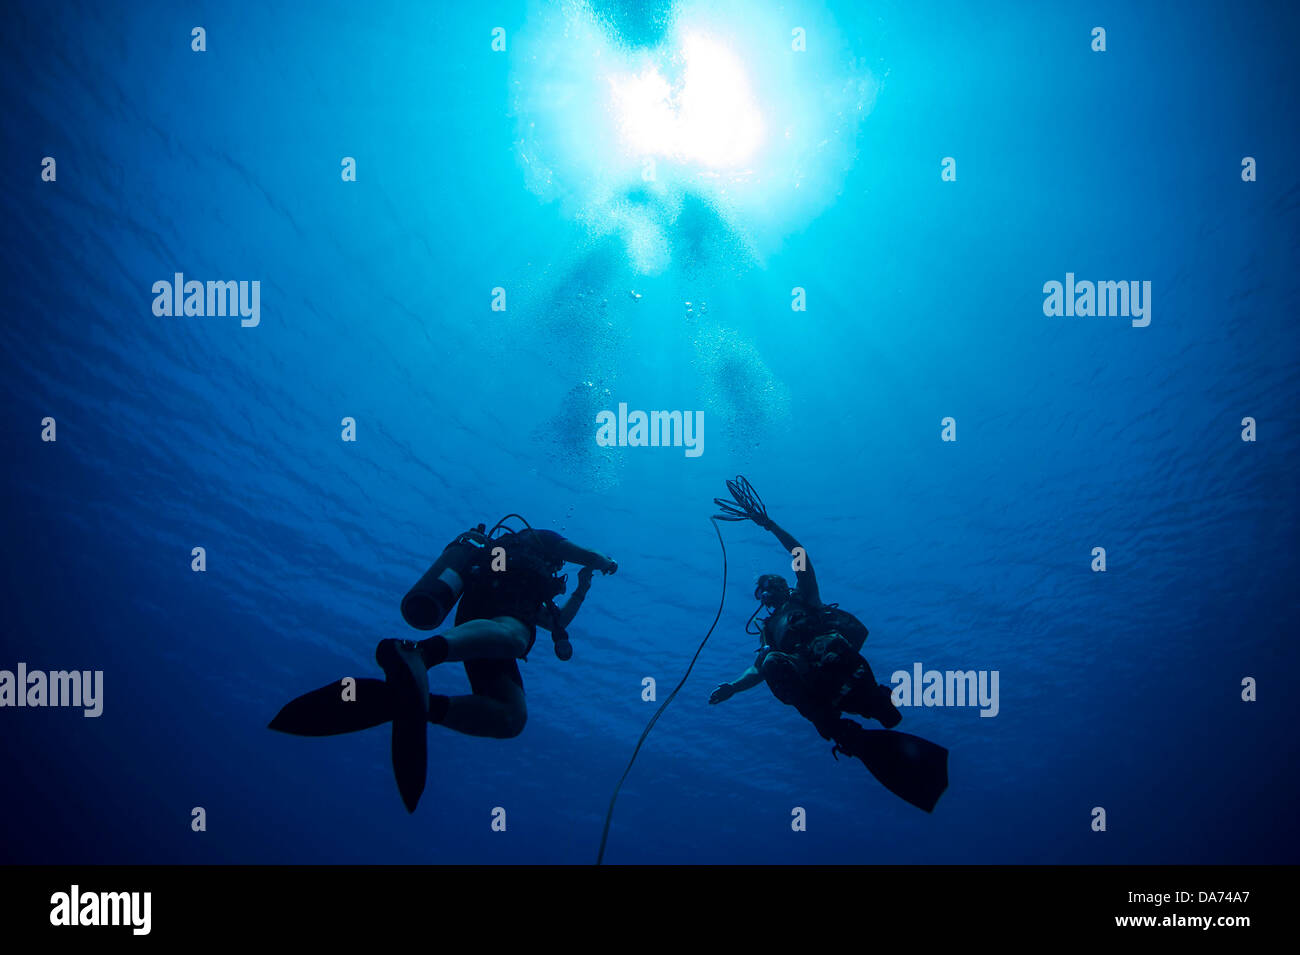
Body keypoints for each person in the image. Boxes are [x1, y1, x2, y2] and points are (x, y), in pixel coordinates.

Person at [270, 520, 616, 812]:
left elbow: (559, 622)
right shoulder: (538, 540)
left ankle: (414, 700)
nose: (557, 570)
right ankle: (421, 654)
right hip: (494, 615)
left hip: (488, 633)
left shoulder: (533, 585)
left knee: (511, 718)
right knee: (515, 636)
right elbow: (584, 554)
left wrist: (582, 588)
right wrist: (604, 561)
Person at [710, 477, 948, 812]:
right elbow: (758, 668)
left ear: (784, 585)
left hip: (843, 669)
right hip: (816, 689)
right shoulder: (767, 631)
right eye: (762, 590)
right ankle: (841, 731)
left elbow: (803, 558)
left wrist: (771, 526)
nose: (767, 591)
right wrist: (734, 687)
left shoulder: (806, 600)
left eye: (773, 583)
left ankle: (877, 703)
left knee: (841, 662)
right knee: (771, 663)